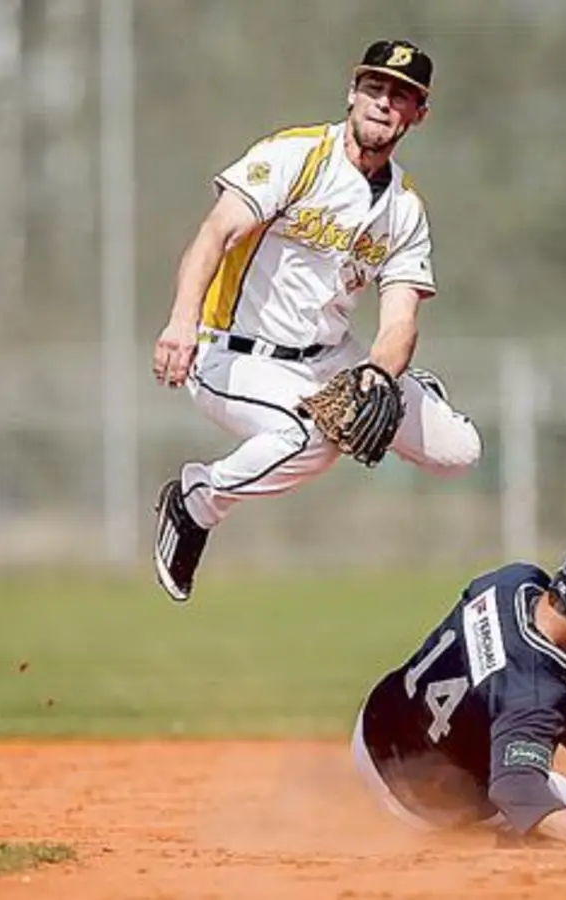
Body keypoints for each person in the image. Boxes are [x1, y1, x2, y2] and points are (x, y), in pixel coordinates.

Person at [149, 39, 483, 602]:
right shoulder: (296, 157)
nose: (383, 103)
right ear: (352, 93)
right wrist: (181, 322)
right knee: (310, 440)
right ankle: (194, 503)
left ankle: (410, 386)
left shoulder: (404, 209)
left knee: (459, 454)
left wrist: (380, 373)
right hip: (231, 353)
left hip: (332, 359)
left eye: (401, 96)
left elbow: (400, 317)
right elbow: (216, 235)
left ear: (418, 115)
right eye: (374, 88)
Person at [350, 538, 566, 850]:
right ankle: (496, 847)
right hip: (417, 806)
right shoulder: (538, 692)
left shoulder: (510, 582)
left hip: (370, 731)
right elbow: (516, 789)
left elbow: (497, 675)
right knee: (561, 795)